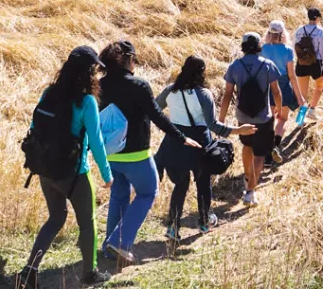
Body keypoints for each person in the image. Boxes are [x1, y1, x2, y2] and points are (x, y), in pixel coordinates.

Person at [17, 46, 113, 289]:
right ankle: (90, 273)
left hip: (46, 171)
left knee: (56, 218)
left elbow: (33, 125)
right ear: (89, 73)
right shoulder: (86, 101)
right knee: (88, 222)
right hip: (75, 174)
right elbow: (97, 141)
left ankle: (30, 270)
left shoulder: (49, 93)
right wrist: (107, 174)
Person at [98, 41, 199, 265]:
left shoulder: (99, 85)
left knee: (119, 196)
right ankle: (120, 243)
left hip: (110, 153)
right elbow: (157, 116)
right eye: (135, 60)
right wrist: (181, 137)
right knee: (148, 192)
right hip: (137, 155)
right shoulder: (139, 85)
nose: (136, 64)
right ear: (127, 59)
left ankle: (109, 246)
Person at [156, 56, 254, 239]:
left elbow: (154, 110)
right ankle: (204, 222)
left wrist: (168, 126)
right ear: (201, 73)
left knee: (180, 186)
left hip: (175, 143)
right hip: (200, 144)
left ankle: (173, 227)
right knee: (203, 183)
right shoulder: (204, 94)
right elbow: (213, 126)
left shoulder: (170, 91)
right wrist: (238, 130)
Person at [219, 33, 282, 207]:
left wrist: (221, 118)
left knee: (247, 146)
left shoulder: (235, 66)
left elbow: (227, 94)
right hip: (264, 117)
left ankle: (248, 178)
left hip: (242, 117)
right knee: (260, 155)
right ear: (259, 46)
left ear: (244, 46)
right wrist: (277, 109)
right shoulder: (268, 65)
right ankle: (250, 192)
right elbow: (276, 91)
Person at [260, 21, 305, 164]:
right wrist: (299, 97)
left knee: (270, 119)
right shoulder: (288, 50)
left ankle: (267, 154)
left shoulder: (263, 49)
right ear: (282, 34)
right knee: (283, 119)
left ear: (269, 33)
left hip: (268, 87)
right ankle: (275, 145)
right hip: (283, 87)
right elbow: (292, 76)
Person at [292, 9, 323, 122]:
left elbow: (294, 47)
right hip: (316, 64)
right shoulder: (321, 32)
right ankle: (312, 110)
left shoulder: (299, 30)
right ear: (318, 18)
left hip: (301, 64)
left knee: (303, 94)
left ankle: (300, 120)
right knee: (320, 86)